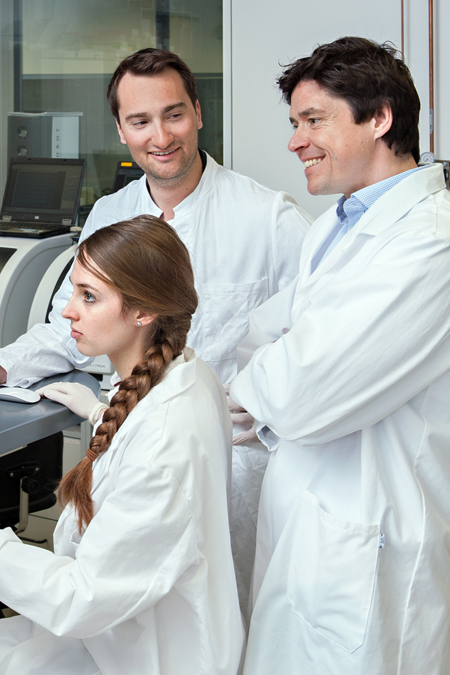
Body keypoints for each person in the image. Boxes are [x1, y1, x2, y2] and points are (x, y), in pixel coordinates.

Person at [0, 47, 310, 616]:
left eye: (174, 114)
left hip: (231, 474)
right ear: (121, 129)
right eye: (140, 121)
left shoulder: (268, 218)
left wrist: (268, 411)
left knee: (223, 617)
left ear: (199, 114)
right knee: (126, 618)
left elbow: (316, 339)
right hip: (129, 452)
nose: (160, 135)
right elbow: (68, 325)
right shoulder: (111, 214)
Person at [0, 216, 244, 675]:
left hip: (142, 655)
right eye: (73, 292)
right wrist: (105, 417)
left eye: (88, 297)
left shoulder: (164, 441)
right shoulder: (188, 375)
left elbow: (81, 596)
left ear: (143, 311)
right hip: (129, 632)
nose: (68, 311)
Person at [229, 37, 450, 674]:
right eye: (294, 124)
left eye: (313, 121)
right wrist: (281, 373)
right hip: (310, 523)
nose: (296, 142)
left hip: (373, 544)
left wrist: (278, 380)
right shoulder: (337, 224)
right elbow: (257, 338)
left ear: (380, 118)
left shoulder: (429, 247)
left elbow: (301, 395)